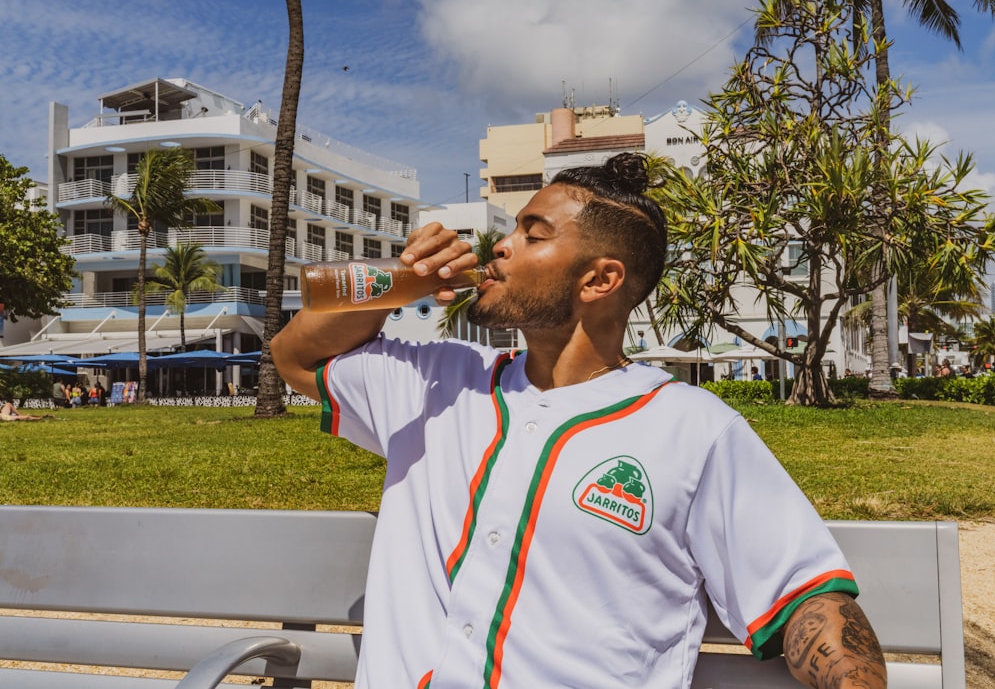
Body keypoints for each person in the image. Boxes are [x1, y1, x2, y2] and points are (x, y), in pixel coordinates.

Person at [272, 153, 887, 689]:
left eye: (532, 235)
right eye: (510, 230)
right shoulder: (439, 380)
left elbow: (811, 602)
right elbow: (294, 357)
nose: (500, 246)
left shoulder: (692, 429)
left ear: (600, 279)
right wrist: (404, 282)